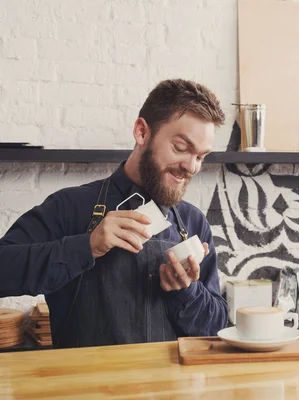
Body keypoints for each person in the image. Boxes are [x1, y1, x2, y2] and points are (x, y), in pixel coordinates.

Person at [0, 79, 229, 348]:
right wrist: (86, 247)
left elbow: (217, 329)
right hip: (85, 386)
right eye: (180, 148)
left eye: (201, 157)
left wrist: (186, 291)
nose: (191, 167)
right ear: (142, 132)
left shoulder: (193, 223)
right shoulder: (69, 206)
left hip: (167, 389)